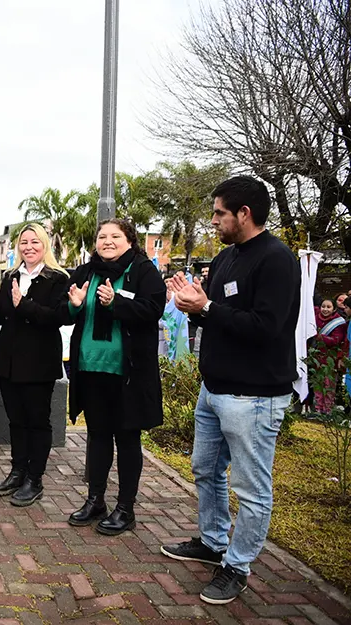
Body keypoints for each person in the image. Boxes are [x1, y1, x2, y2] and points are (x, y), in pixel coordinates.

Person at [162, 176, 301, 605]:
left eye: (220, 212)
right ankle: (213, 542)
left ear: (244, 213)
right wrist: (196, 306)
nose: (214, 219)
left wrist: (206, 308)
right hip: (214, 390)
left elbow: (265, 328)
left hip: (254, 397)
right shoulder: (225, 259)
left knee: (251, 488)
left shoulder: (278, 260)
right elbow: (217, 317)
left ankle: (236, 567)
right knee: (205, 469)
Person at [61, 218, 165, 536]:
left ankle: (125, 508)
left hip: (127, 373)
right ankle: (95, 500)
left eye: (115, 236)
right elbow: (67, 310)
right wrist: (73, 305)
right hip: (91, 367)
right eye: (102, 236)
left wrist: (116, 302)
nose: (107, 241)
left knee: (127, 439)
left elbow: (153, 308)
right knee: (98, 436)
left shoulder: (143, 271)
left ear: (129, 240)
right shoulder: (87, 271)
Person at [0, 223, 69, 506]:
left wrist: (24, 305)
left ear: (45, 245)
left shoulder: (58, 278)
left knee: (37, 421)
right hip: (8, 360)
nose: (29, 247)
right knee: (17, 420)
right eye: (24, 242)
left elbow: (58, 316)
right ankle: (17, 470)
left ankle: (35, 478)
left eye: (35, 242)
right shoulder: (10, 275)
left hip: (38, 361)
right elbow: (1, 316)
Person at [312, 298, 346, 414]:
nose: (325, 309)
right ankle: (318, 409)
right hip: (316, 358)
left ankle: (328, 410)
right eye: (323, 306)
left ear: (334, 308)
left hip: (330, 359)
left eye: (328, 307)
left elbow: (336, 340)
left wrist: (321, 337)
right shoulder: (315, 317)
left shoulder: (338, 322)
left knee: (329, 385)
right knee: (318, 384)